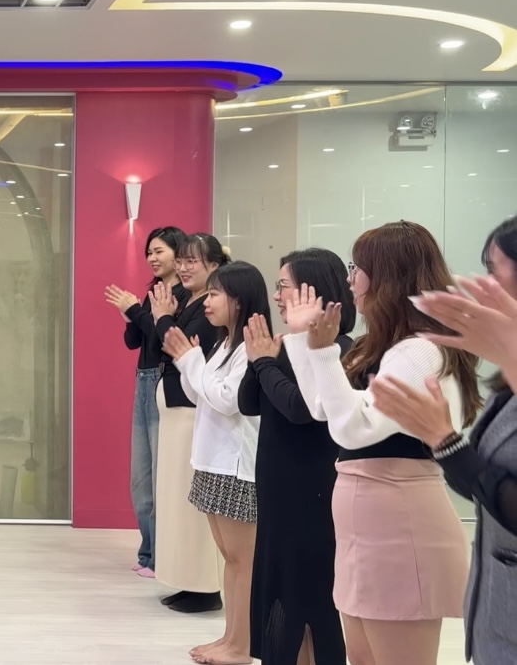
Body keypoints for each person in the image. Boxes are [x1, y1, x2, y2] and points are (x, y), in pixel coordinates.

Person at [283, 221, 478, 665]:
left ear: (388, 275)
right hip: (368, 519)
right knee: (363, 656)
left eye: (358, 268)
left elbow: (353, 429)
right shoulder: (383, 346)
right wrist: (304, 340)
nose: (350, 278)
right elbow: (322, 407)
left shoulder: (420, 350)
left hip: (398, 519)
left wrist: (322, 350)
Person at [370, 216, 517, 664]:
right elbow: (481, 483)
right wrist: (445, 443)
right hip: (496, 610)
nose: (483, 287)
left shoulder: (418, 351)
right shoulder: (504, 385)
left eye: (494, 271)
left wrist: (445, 440)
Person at [241, 249, 351, 665]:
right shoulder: (285, 346)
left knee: (309, 594)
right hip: (277, 489)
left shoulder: (337, 349)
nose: (276, 296)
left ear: (312, 291)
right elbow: (249, 403)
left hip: (312, 491)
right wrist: (258, 361)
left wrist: (264, 364)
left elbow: (301, 409)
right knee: (278, 588)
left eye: (283, 286)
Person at [162, 261, 269, 665]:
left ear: (239, 300)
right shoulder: (224, 345)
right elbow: (200, 393)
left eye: (216, 294)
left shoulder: (250, 348)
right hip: (212, 462)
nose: (207, 302)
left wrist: (191, 361)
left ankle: (242, 647)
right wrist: (189, 362)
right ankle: (230, 638)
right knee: (230, 558)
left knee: (243, 560)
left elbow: (227, 400)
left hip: (236, 467)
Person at [106, 225, 187, 576]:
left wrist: (136, 311)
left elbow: (162, 338)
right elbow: (134, 341)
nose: (153, 258)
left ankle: (158, 556)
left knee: (159, 473)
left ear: (178, 253)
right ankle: (148, 551)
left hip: (161, 380)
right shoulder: (154, 291)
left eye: (159, 251)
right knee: (141, 476)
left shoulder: (182, 295)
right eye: (149, 253)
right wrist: (129, 313)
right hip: (143, 380)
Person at [153, 232, 225, 614]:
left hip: (192, 412)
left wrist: (162, 318)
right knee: (175, 499)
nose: (182, 267)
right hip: (175, 412)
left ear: (214, 265)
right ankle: (187, 580)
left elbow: (177, 346)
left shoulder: (209, 307)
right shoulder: (187, 300)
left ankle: (204, 587)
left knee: (191, 501)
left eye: (191, 261)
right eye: (179, 260)